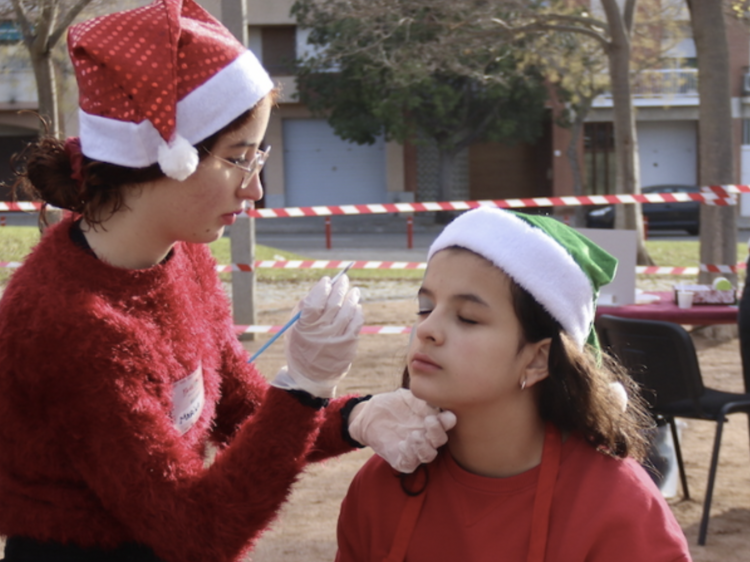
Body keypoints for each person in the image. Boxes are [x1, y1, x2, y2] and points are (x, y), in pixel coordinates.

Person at [0, 2, 455, 561]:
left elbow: (240, 410)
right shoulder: (71, 324)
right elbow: (197, 532)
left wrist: (356, 416)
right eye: (241, 159)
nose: (256, 189)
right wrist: (306, 387)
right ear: (165, 158)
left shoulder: (178, 253)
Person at [337, 207, 692, 562]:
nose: (426, 329)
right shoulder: (382, 483)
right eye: (425, 307)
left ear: (538, 359)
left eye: (468, 318)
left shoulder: (616, 504)